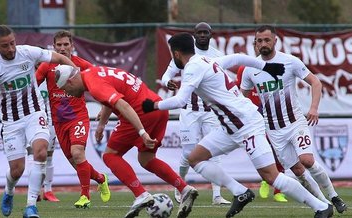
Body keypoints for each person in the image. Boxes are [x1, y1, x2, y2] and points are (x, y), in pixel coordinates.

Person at [142, 32, 334, 218]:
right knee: (195, 158)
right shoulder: (206, 61)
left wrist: (154, 105)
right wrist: (264, 67)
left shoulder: (193, 68)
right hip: (230, 126)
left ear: (176, 53)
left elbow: (180, 100)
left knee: (271, 176)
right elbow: (237, 58)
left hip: (247, 124)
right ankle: (240, 192)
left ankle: (321, 206)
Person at [53, 64, 198, 218]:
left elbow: (123, 105)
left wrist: (142, 133)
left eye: (65, 89)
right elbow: (112, 97)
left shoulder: (94, 85)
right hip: (157, 107)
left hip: (140, 112)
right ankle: (184, 189)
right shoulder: (92, 72)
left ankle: (141, 195)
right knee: (147, 159)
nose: (67, 93)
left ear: (70, 81)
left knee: (110, 156)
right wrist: (102, 123)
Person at [240, 25, 347, 213]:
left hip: (295, 122)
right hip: (273, 130)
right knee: (298, 172)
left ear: (275, 41)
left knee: (306, 160)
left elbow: (315, 82)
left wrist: (313, 108)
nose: (263, 43)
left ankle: (334, 196)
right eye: (259, 40)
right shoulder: (250, 69)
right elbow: (242, 98)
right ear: (254, 43)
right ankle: (325, 205)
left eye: (267, 40)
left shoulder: (290, 62)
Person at [0, 25, 77, 218]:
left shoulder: (27, 52)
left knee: (41, 152)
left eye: (13, 43)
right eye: (5, 46)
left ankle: (31, 206)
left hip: (35, 113)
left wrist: (75, 72)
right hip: (11, 123)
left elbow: (58, 57)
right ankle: (8, 191)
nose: (11, 49)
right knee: (17, 170)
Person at [35, 30, 110, 208]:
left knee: (78, 153)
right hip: (58, 122)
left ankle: (85, 196)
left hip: (78, 117)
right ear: (53, 47)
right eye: (59, 45)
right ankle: (100, 178)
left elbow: (102, 82)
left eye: (66, 44)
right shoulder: (46, 66)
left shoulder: (81, 65)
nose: (62, 48)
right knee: (76, 162)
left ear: (72, 46)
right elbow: (32, 87)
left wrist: (103, 106)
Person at [161, 22, 230, 205]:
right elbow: (166, 74)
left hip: (210, 111)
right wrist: (167, 81)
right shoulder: (186, 53)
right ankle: (180, 187)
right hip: (189, 110)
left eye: (205, 32)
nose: (201, 35)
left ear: (210, 35)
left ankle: (216, 195)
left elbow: (224, 80)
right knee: (188, 153)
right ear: (194, 35)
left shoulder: (217, 55)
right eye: (198, 32)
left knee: (215, 152)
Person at [236, 42, 287, 203]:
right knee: (263, 151)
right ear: (254, 47)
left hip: (274, 114)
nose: (260, 47)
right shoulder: (245, 69)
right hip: (255, 116)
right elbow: (240, 93)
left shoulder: (277, 67)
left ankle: (279, 191)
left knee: (281, 152)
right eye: (257, 44)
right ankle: (266, 180)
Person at [26, 79, 60, 202]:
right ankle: (34, 190)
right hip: (30, 123)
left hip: (49, 123)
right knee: (32, 154)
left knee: (49, 156)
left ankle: (48, 190)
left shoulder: (50, 80)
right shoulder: (25, 78)